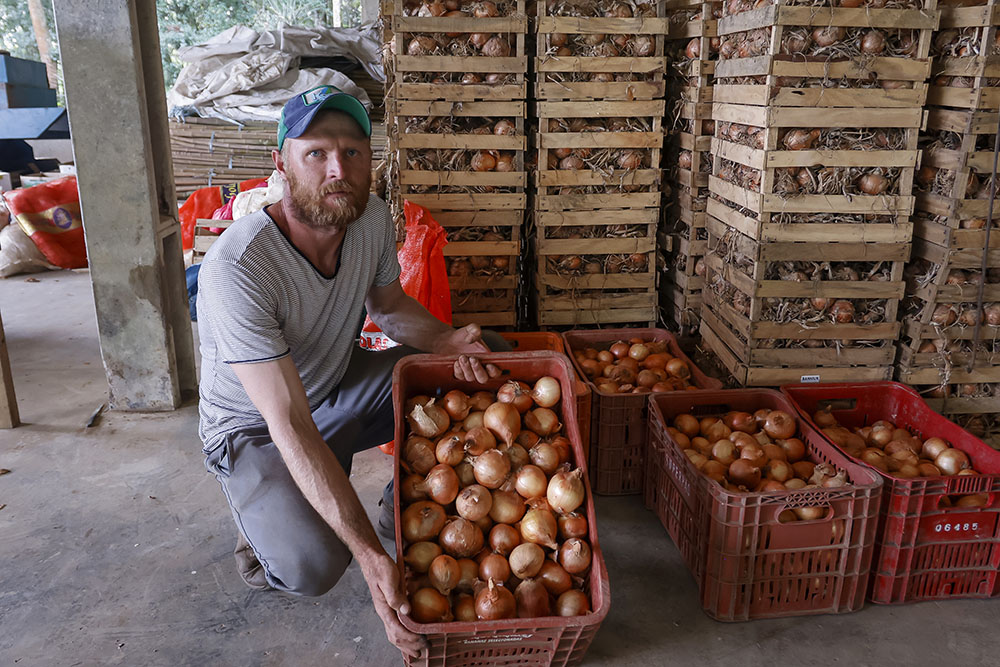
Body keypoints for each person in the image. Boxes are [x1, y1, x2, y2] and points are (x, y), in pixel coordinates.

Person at [196, 85, 508, 658]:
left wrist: (443, 339)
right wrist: (371, 560)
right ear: (282, 164)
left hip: (335, 384)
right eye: (316, 153)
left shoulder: (365, 222)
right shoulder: (239, 269)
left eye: (354, 152)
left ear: (371, 160)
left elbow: (387, 308)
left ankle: (410, 501)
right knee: (315, 566)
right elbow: (288, 421)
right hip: (257, 428)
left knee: (485, 354)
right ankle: (261, 525)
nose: (338, 169)